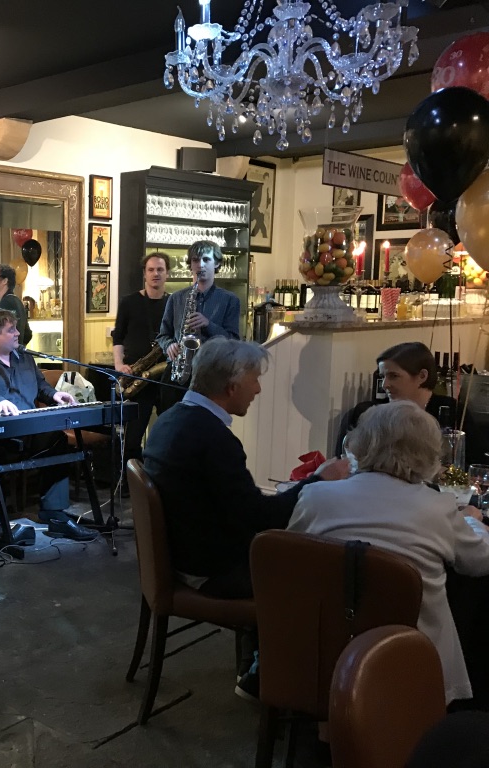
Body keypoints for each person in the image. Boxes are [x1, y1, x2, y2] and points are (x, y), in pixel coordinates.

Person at [142, 338, 349, 697]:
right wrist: (318, 480)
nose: (258, 389)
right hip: (208, 569)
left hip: (181, 556)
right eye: (254, 380)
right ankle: (273, 678)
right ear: (232, 386)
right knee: (315, 575)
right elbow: (260, 518)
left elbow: (235, 506)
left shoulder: (169, 420)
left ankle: (254, 665)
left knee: (285, 554)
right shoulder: (214, 439)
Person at [289, 400, 489, 704]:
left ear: (361, 443)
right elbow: (480, 561)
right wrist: (473, 522)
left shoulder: (315, 495)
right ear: (429, 453)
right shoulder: (438, 508)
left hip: (322, 645)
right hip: (410, 652)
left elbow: (290, 557)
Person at [0, 307, 94, 541]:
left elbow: (41, 386)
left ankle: (54, 515)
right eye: (11, 330)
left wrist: (54, 395)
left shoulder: (24, 357)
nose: (18, 334)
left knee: (57, 441)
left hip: (26, 428)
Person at [156, 240, 241, 413]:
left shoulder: (230, 300)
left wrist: (208, 324)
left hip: (211, 375)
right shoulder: (176, 298)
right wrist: (169, 345)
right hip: (177, 373)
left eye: (206, 259)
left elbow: (233, 341)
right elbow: (163, 335)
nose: (200, 265)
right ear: (190, 264)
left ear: (217, 263)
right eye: (195, 260)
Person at [336, 341, 457, 452]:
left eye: (393, 376)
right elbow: (344, 462)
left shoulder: (454, 413)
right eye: (382, 377)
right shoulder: (365, 414)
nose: (384, 385)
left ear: (422, 376)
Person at [113, 251, 170, 465]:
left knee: (170, 435)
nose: (156, 274)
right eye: (151, 270)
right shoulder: (129, 302)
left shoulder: (174, 302)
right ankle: (132, 479)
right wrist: (119, 364)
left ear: (167, 274)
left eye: (160, 269)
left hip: (166, 377)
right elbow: (118, 336)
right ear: (144, 274)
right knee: (132, 439)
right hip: (138, 377)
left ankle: (160, 475)